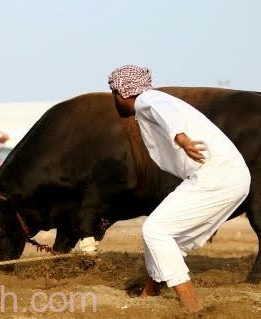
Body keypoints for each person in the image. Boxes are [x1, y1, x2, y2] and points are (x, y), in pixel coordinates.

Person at [107, 65, 251, 312]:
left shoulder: (147, 100)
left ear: (122, 93)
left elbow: (165, 113)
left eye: (113, 94)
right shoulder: (154, 100)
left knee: (154, 230)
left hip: (218, 175)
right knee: (168, 238)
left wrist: (180, 138)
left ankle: (191, 306)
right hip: (229, 176)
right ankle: (149, 293)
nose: (114, 101)